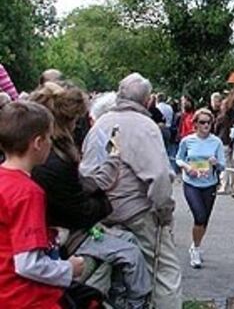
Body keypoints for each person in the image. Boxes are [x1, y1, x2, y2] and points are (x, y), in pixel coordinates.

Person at [29, 82, 151, 309]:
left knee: (126, 244)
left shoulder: (50, 159)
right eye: (76, 122)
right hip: (63, 239)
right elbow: (80, 210)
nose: (78, 127)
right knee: (129, 252)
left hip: (61, 236)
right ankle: (136, 303)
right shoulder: (53, 162)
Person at [80, 73, 183, 309]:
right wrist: (164, 213)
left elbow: (87, 172)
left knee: (108, 271)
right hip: (138, 213)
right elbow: (158, 177)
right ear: (148, 101)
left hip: (102, 212)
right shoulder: (145, 127)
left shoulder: (99, 125)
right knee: (164, 273)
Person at [0, 101, 102, 308]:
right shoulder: (28, 192)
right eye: (49, 138)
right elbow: (28, 264)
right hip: (26, 297)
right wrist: (68, 268)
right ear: (38, 143)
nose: (50, 144)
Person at [176, 108, 226, 269]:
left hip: (209, 183)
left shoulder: (216, 142)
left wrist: (215, 163)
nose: (206, 125)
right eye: (202, 122)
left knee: (204, 219)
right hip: (191, 183)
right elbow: (178, 158)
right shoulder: (187, 141)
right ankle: (196, 250)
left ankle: (196, 244)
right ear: (195, 124)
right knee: (199, 216)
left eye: (209, 122)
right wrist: (186, 167)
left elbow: (223, 166)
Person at [215, 86, 234, 195]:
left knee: (225, 164)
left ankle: (225, 185)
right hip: (231, 140)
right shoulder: (233, 115)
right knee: (233, 165)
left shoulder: (222, 117)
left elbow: (216, 129)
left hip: (223, 140)